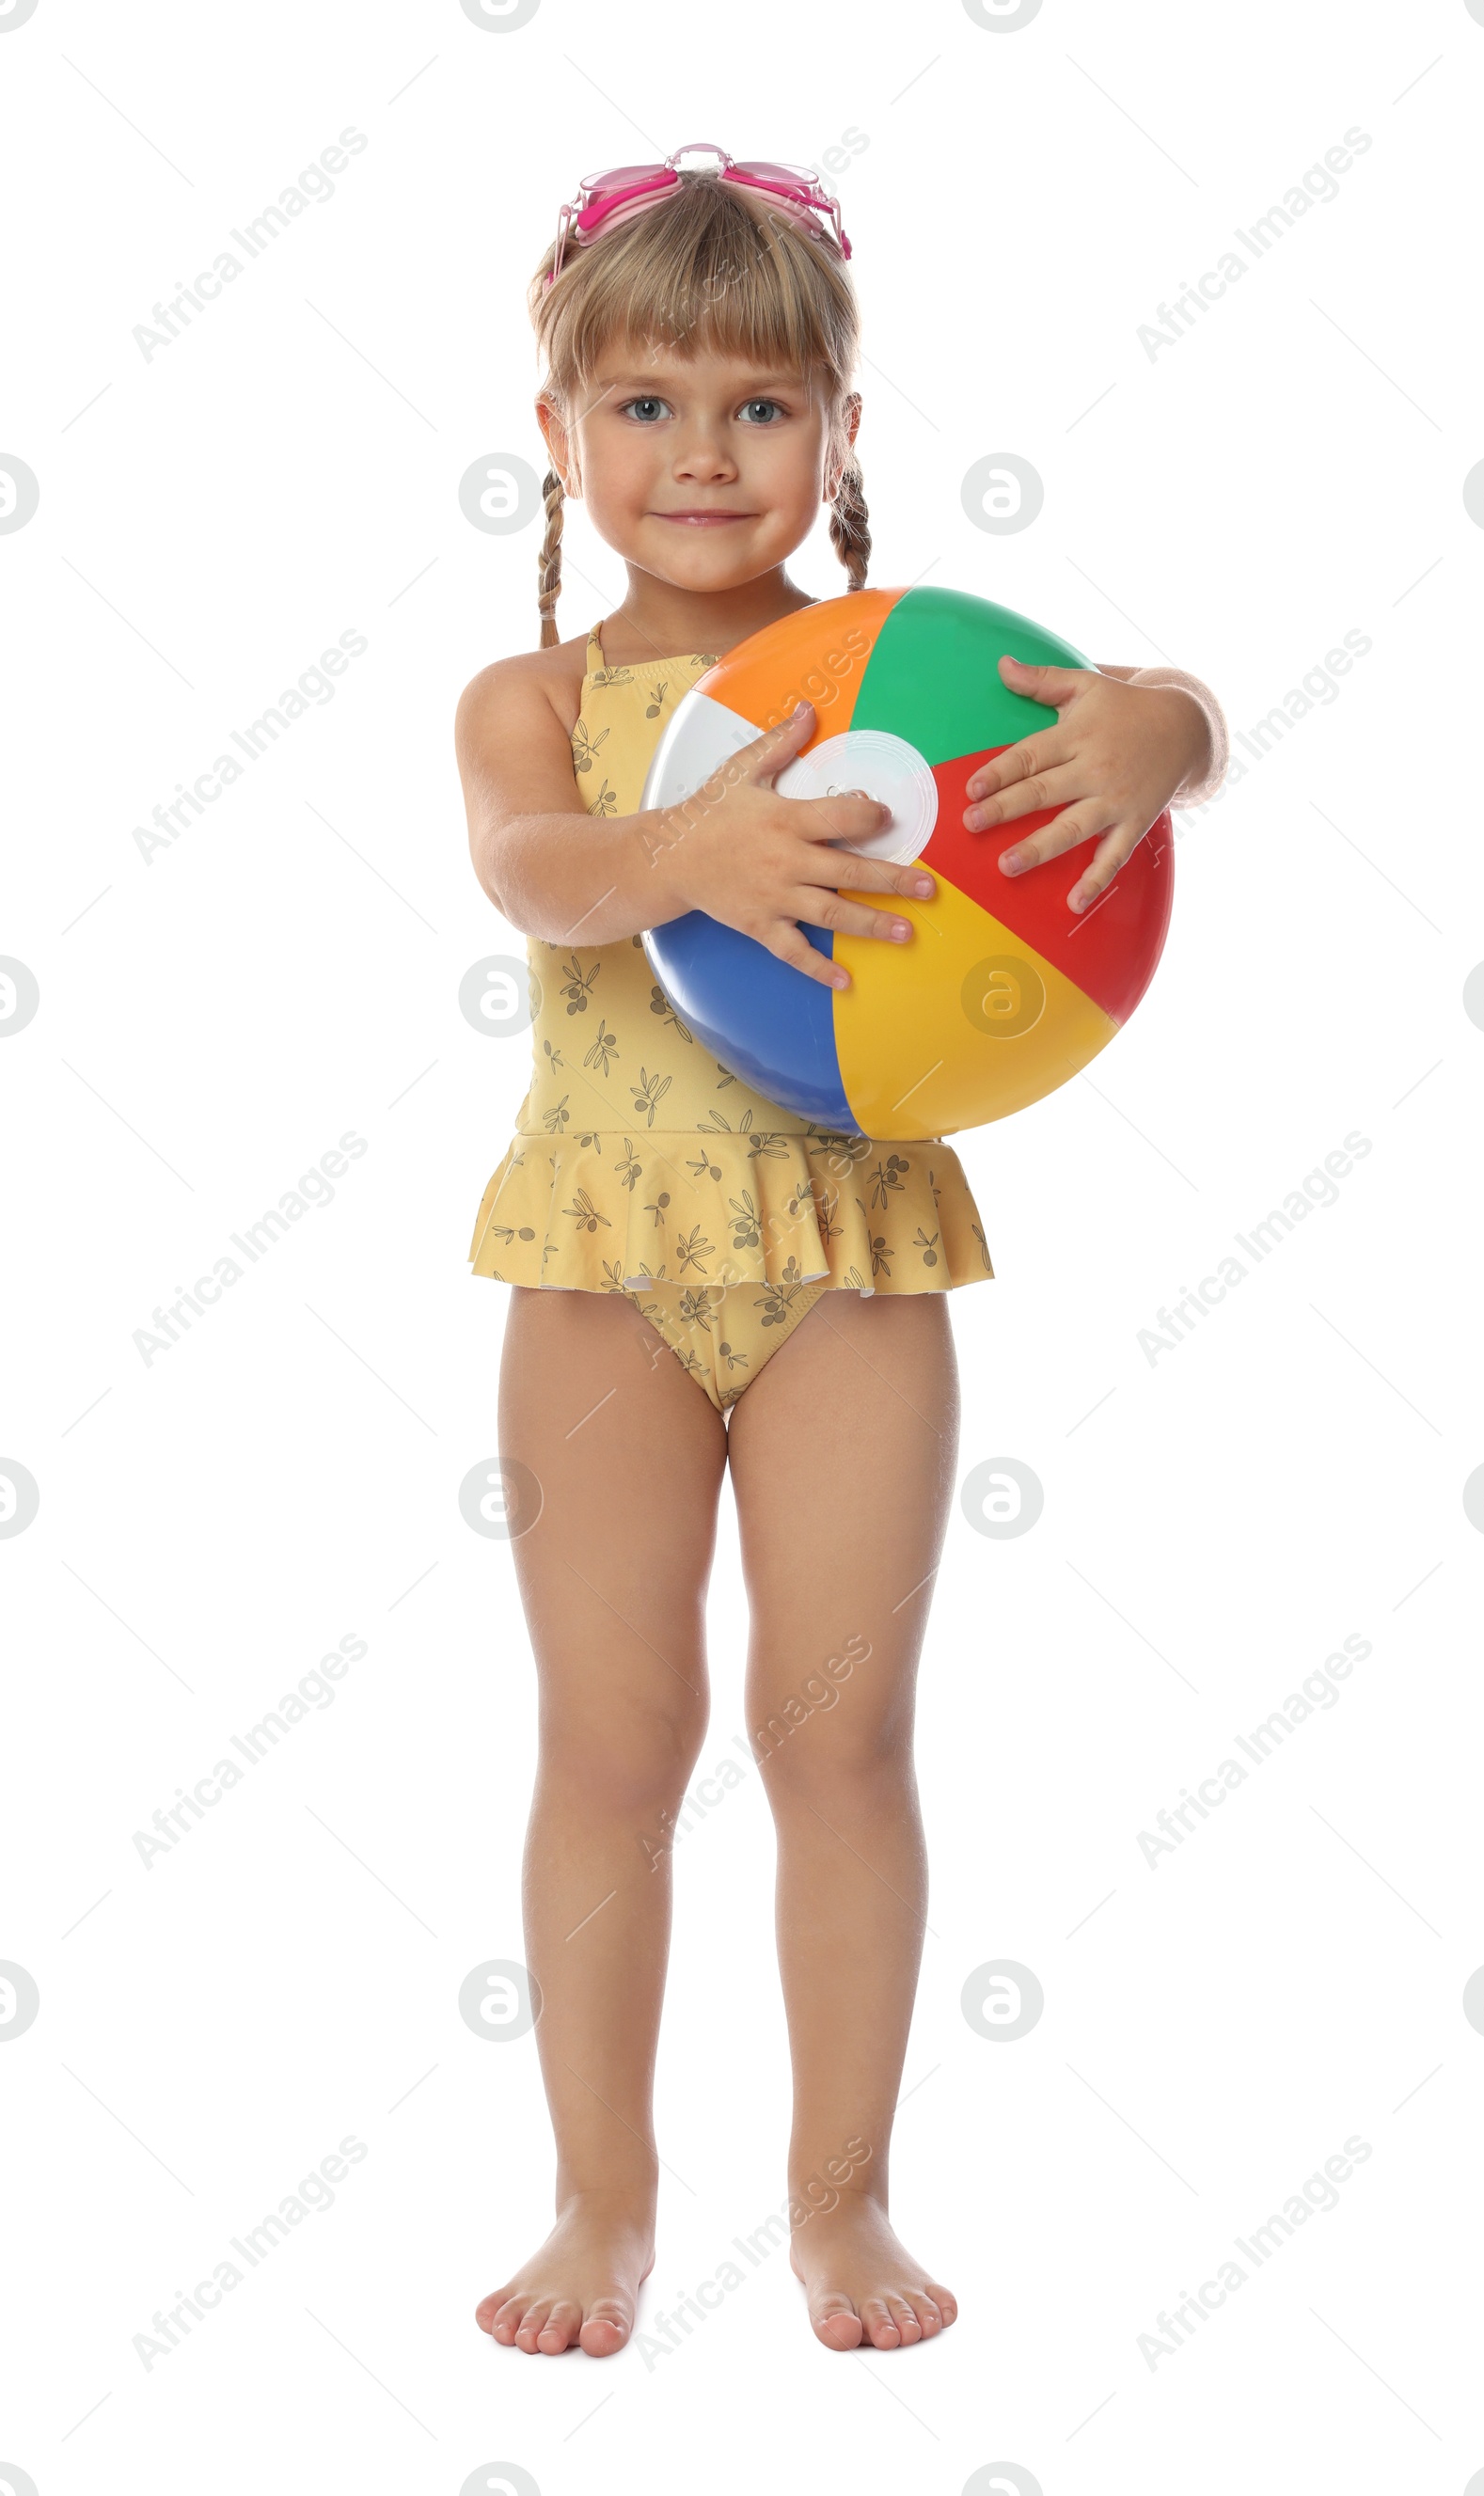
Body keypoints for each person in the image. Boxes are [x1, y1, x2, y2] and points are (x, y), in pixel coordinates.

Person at [455, 144, 1228, 2362]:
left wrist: (1163, 726)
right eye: (647, 404)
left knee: (840, 1735)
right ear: (560, 432)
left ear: (841, 430)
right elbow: (543, 870)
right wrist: (688, 840)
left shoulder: (915, 676)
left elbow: (1130, 713)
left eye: (761, 407)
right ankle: (601, 2200)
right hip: (599, 1261)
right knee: (609, 1736)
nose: (703, 453)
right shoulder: (532, 702)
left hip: (854, 1248)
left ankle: (837, 2192)